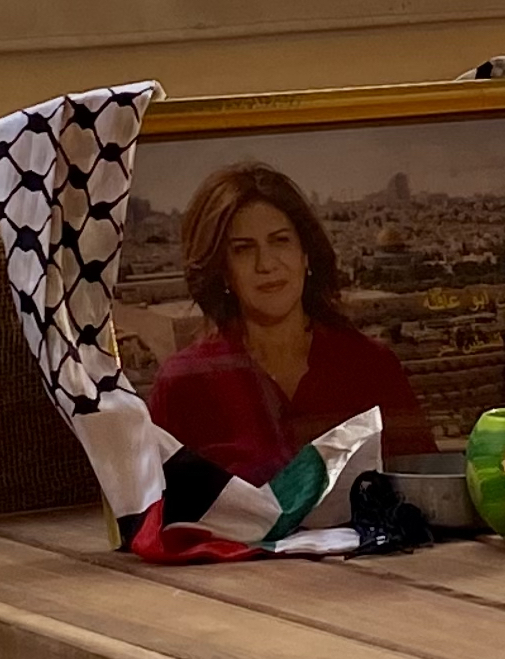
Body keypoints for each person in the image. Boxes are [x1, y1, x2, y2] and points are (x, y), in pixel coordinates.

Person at [142, 163, 429, 483]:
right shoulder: (184, 384)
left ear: (306, 255)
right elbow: (158, 518)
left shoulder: (371, 366)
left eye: (280, 241)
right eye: (243, 249)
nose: (266, 264)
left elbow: (422, 490)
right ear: (223, 270)